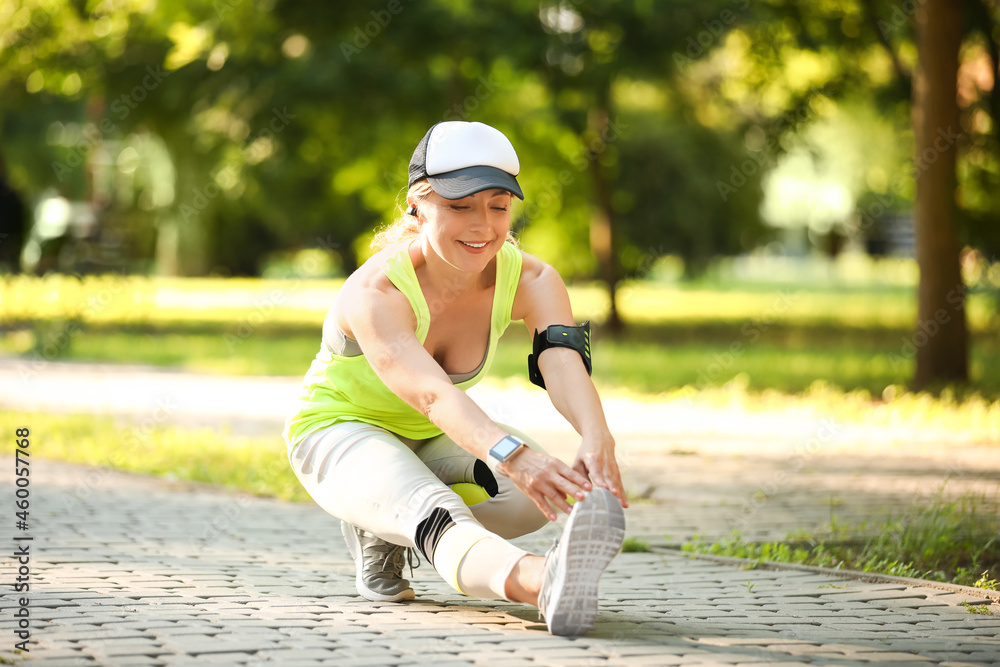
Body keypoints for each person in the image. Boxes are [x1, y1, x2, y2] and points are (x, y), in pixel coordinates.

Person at [283, 121, 628, 637]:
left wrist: (597, 437)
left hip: (430, 439)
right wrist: (514, 454)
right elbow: (432, 392)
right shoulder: (377, 290)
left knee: (530, 497)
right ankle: (538, 580)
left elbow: (561, 361)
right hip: (337, 432)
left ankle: (387, 528)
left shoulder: (532, 279)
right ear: (417, 206)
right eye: (460, 206)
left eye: (498, 205)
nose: (483, 226)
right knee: (436, 509)